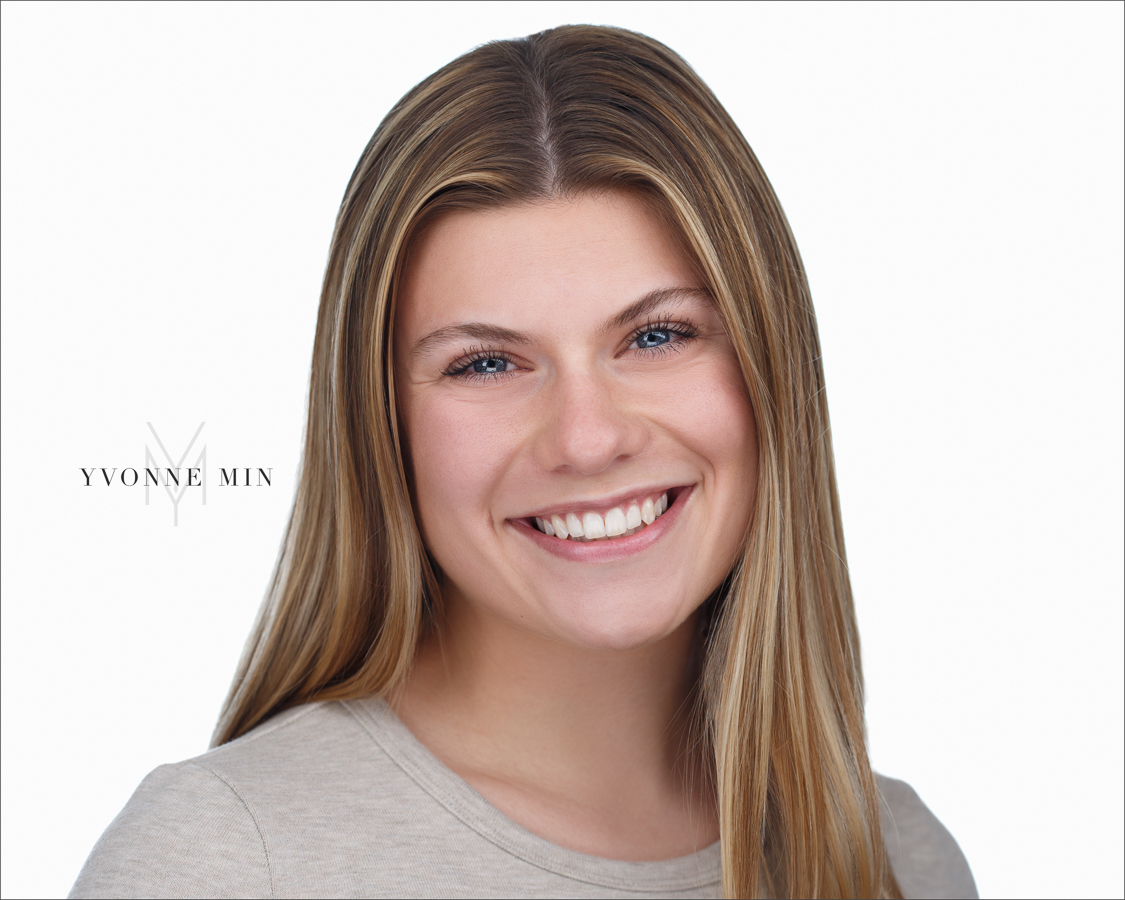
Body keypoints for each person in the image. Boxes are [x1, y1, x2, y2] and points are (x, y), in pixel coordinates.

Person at [70, 25, 976, 899]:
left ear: (771, 365)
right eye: (486, 363)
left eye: (657, 335)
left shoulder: (899, 861)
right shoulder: (227, 860)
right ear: (379, 422)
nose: (586, 438)